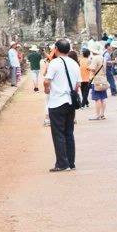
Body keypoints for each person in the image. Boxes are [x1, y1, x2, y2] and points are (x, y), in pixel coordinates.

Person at [43, 38, 81, 172]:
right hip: (70, 102)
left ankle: (62, 163)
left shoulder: (54, 63)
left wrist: (47, 90)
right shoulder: (75, 64)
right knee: (69, 133)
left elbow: (47, 81)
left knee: (58, 133)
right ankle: (71, 162)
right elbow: (77, 85)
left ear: (56, 49)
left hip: (57, 102)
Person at [88, 43, 108, 120]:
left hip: (96, 80)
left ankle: (97, 115)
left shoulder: (95, 58)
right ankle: (102, 114)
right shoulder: (103, 58)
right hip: (103, 79)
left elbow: (93, 69)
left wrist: (88, 67)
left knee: (97, 98)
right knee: (103, 98)